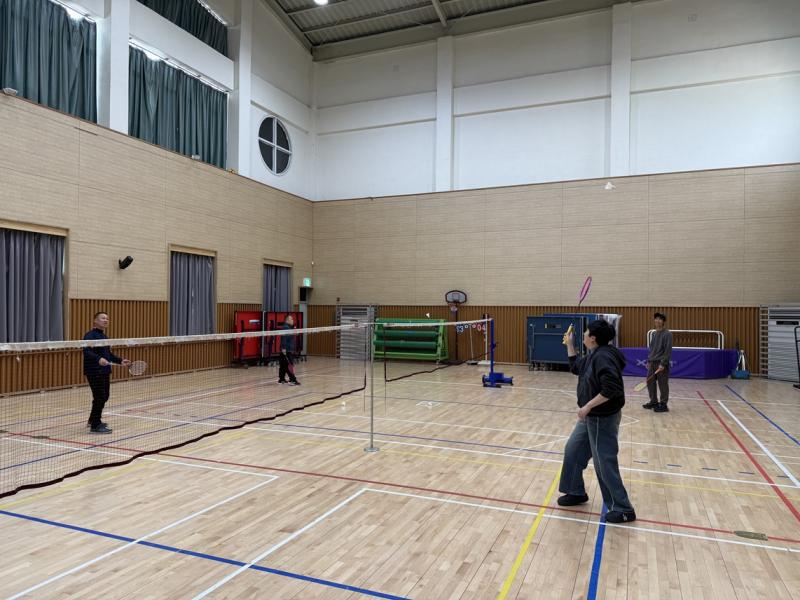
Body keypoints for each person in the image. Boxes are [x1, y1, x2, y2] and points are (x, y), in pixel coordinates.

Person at [557, 319, 636, 524]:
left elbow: (612, 389)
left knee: (604, 462)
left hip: (602, 418)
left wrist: (588, 406)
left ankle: (623, 508)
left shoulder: (604, 357)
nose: (583, 334)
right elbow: (576, 367)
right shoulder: (595, 353)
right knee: (573, 450)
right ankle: (575, 491)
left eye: (585, 332)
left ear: (592, 338)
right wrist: (569, 345)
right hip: (590, 418)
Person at [83, 312, 130, 434]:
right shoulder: (90, 335)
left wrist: (120, 361)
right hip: (94, 371)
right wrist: (98, 359)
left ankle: (93, 419)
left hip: (104, 371)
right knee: (100, 397)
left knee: (104, 396)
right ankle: (95, 425)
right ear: (95, 320)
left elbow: (108, 354)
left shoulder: (104, 336)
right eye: (103, 318)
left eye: (107, 318)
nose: (106, 320)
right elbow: (86, 351)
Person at [643, 312, 672, 413]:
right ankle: (653, 401)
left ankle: (663, 404)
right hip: (652, 362)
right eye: (656, 319)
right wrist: (649, 360)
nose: (657, 320)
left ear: (663, 321)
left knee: (662, 384)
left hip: (661, 363)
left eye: (660, 319)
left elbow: (667, 350)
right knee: (650, 382)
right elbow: (652, 349)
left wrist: (663, 364)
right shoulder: (654, 333)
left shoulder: (667, 334)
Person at [277, 315, 300, 386]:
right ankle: (293, 380)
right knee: (289, 365)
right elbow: (284, 339)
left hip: (286, 349)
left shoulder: (289, 327)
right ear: (287, 320)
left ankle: (281, 379)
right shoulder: (286, 328)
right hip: (286, 349)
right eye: (291, 319)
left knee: (283, 365)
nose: (293, 320)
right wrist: (283, 348)